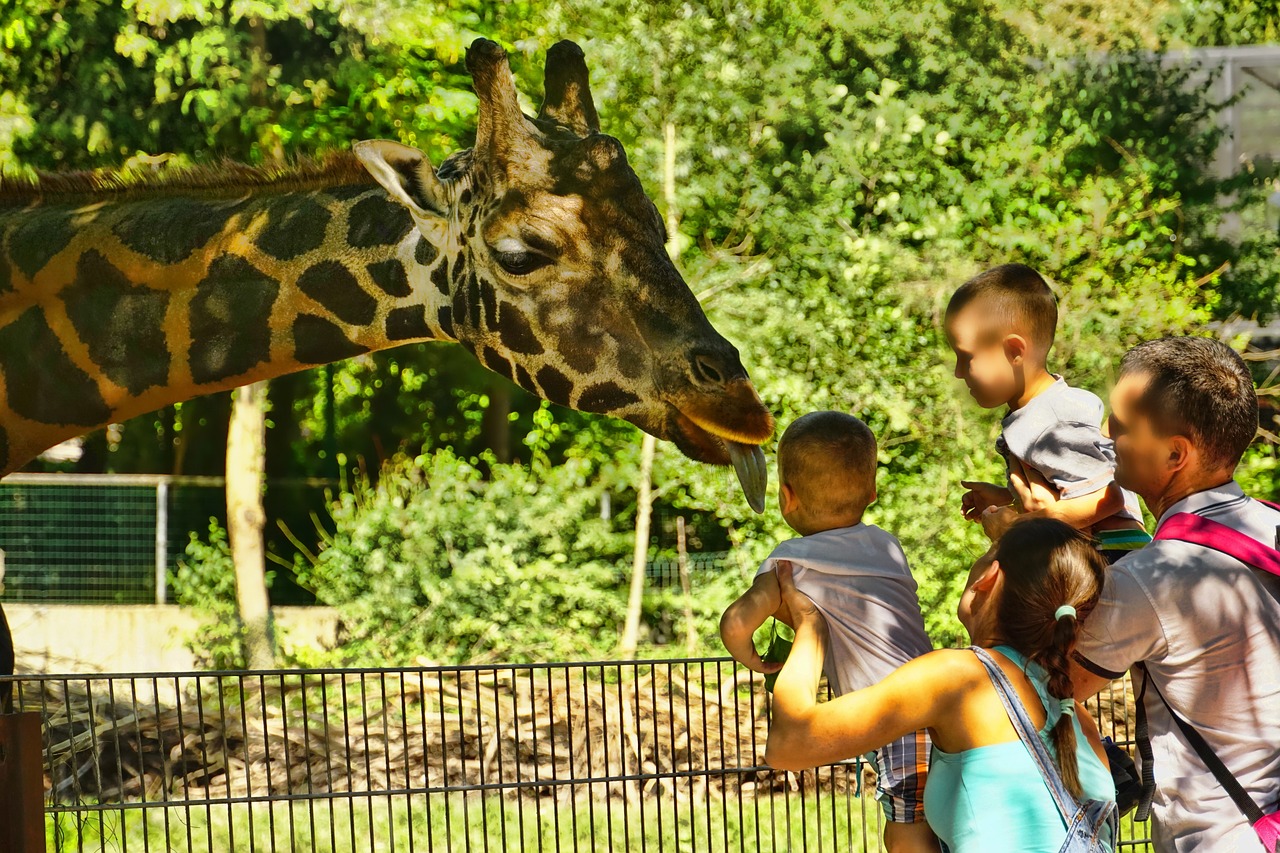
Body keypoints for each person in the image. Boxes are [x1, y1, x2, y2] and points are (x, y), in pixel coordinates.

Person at [1032, 336, 1280, 852]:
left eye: (1119, 427)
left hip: (1219, 837)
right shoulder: (1271, 526)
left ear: (1175, 453)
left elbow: (1049, 687)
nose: (1104, 438)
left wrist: (1022, 552)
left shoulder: (1152, 577)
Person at [764, 517, 1117, 853]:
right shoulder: (1073, 716)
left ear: (989, 578)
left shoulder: (961, 678)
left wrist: (811, 625)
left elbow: (789, 744)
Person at [719, 411, 937, 852]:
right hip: (937, 701)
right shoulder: (887, 546)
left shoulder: (790, 561)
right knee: (938, 818)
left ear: (786, 496)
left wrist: (751, 656)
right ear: (872, 492)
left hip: (893, 717)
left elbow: (738, 621)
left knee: (907, 828)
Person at [944, 263, 1149, 559]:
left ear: (1014, 352)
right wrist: (1008, 499)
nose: (958, 372)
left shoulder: (1054, 421)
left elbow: (1108, 497)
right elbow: (1070, 492)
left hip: (1114, 557)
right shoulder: (1038, 411)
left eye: (966, 358)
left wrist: (1024, 527)